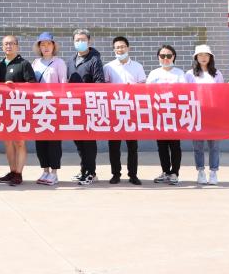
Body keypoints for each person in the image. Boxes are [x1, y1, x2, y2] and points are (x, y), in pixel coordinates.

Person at [103, 36, 146, 185]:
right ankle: (116, 174)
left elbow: (143, 87)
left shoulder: (137, 66)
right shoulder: (108, 67)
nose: (120, 50)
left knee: (132, 146)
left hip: (132, 110)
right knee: (114, 145)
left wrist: (132, 88)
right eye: (117, 47)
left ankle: (133, 174)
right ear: (114, 50)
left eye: (122, 47)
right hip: (114, 110)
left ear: (128, 48)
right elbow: (104, 87)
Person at [0, 34, 36, 186]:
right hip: (4, 109)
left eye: (12, 43)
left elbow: (33, 86)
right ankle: (12, 171)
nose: (8, 46)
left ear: (17, 46)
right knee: (8, 142)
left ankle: (18, 173)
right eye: (6, 44)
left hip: (19, 109)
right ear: (2, 47)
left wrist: (16, 86)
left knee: (19, 142)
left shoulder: (24, 64)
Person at [66, 28, 105, 185]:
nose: (80, 42)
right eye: (77, 40)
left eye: (83, 40)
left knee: (88, 141)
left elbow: (99, 83)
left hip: (89, 106)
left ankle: (91, 172)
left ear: (89, 41)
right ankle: (84, 170)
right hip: (74, 107)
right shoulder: (70, 60)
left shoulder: (94, 60)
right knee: (79, 141)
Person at [30, 32, 66, 186]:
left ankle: (54, 173)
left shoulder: (59, 63)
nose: (45, 47)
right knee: (41, 141)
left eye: (48, 44)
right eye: (42, 44)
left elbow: (63, 85)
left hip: (54, 107)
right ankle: (45, 170)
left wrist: (61, 105)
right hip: (39, 107)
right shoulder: (35, 63)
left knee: (54, 142)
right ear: (39, 47)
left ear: (53, 46)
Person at [186, 45, 225, 186]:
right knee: (198, 145)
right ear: (196, 58)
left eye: (206, 55)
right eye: (200, 55)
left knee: (214, 145)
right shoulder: (189, 74)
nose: (203, 57)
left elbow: (221, 93)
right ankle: (201, 171)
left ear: (210, 57)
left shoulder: (217, 74)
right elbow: (186, 93)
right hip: (197, 112)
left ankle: (213, 172)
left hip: (214, 113)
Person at [147, 44, 184, 185]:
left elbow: (185, 91)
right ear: (158, 57)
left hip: (175, 113)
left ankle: (174, 173)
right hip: (159, 114)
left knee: (174, 145)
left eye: (169, 55)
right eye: (162, 56)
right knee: (161, 145)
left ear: (174, 57)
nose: (166, 58)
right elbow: (147, 91)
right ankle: (165, 171)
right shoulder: (154, 73)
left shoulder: (179, 73)